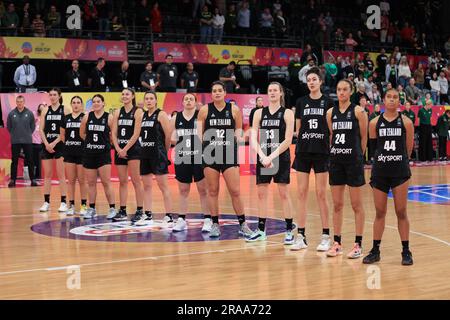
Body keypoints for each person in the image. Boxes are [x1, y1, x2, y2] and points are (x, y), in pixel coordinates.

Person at [363, 88, 414, 266]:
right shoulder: (374, 123)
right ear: (383, 100)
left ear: (399, 101)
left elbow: (408, 150)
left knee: (401, 211)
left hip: (399, 171)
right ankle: (375, 250)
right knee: (380, 212)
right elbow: (374, 148)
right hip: (380, 172)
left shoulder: (406, 122)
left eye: (395, 97)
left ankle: (406, 251)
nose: (392, 100)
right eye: (389, 97)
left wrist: (398, 160)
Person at [197, 81, 253, 238]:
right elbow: (199, 134)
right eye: (214, 90)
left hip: (228, 153)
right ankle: (215, 224)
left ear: (225, 93)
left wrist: (234, 146)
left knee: (235, 191)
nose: (217, 93)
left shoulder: (234, 110)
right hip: (210, 154)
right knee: (213, 191)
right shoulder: (204, 110)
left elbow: (238, 131)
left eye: (219, 90)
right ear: (211, 93)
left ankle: (243, 224)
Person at [246, 82, 295, 243]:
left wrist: (271, 156)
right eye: (270, 90)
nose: (272, 92)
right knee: (261, 194)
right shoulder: (259, 113)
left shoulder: (287, 113)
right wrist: (262, 155)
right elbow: (253, 137)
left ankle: (289, 230)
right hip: (264, 157)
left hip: (280, 156)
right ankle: (261, 230)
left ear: (281, 93)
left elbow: (288, 140)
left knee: (283, 194)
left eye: (275, 90)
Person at [291, 67, 334, 251]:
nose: (311, 82)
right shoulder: (301, 102)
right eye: (309, 79)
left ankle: (326, 236)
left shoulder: (328, 102)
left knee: (321, 194)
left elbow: (332, 129)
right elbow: (299, 129)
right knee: (301, 193)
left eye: (314, 79)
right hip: (303, 151)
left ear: (320, 81)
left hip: (322, 152)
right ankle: (300, 236)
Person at [326, 79, 368, 259]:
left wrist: (359, 157)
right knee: (337, 205)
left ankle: (358, 244)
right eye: (339, 89)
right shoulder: (330, 113)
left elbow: (364, 139)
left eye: (344, 90)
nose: (341, 92)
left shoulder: (359, 112)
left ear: (351, 92)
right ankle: (337, 243)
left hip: (353, 163)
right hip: (336, 162)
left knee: (356, 204)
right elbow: (331, 136)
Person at [169, 93, 209, 232]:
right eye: (186, 99)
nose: (188, 101)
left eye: (191, 99)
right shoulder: (175, 118)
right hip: (182, 157)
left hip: (199, 157)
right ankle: (181, 219)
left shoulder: (200, 116)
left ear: (196, 102)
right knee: (183, 190)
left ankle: (208, 219)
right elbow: (172, 138)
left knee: (203, 190)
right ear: (182, 102)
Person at [134, 91, 174, 226]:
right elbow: (138, 134)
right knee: (146, 186)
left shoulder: (161, 114)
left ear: (156, 101)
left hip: (158, 154)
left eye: (151, 99)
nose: (149, 101)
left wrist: (165, 151)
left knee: (163, 186)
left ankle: (169, 215)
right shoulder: (142, 115)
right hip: (145, 153)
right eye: (147, 99)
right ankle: (148, 214)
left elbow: (168, 136)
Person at [79, 94, 116, 219]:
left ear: (103, 103)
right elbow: (82, 133)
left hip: (103, 154)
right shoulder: (87, 116)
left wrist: (105, 144)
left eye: (98, 101)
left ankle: (112, 208)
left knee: (106, 182)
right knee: (91, 183)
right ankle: (92, 208)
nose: (96, 103)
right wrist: (91, 143)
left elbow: (113, 135)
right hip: (89, 153)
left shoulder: (109, 117)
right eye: (94, 101)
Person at [111, 88, 144, 222]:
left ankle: (140, 210)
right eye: (123, 94)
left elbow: (136, 133)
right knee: (122, 182)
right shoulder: (118, 112)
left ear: (133, 96)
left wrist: (125, 149)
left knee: (136, 181)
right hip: (120, 150)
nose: (124, 96)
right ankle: (123, 210)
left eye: (127, 94)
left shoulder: (138, 111)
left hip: (133, 150)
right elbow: (113, 133)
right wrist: (118, 148)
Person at [39, 88, 69, 213]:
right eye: (50, 95)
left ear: (59, 96)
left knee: (61, 175)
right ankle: (46, 202)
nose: (52, 97)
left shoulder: (65, 110)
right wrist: (47, 144)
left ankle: (63, 202)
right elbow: (41, 129)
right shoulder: (45, 110)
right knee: (48, 175)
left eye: (54, 95)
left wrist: (54, 143)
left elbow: (66, 130)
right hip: (47, 145)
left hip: (60, 144)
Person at [60, 96, 88, 216]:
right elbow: (62, 136)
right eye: (74, 103)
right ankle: (70, 205)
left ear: (81, 105)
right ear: (71, 105)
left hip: (82, 153)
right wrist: (68, 146)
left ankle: (83, 205)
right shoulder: (66, 118)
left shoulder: (85, 118)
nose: (76, 105)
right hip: (69, 153)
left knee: (82, 181)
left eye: (78, 103)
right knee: (70, 181)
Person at [6, 95, 37, 187]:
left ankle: (33, 180)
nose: (20, 103)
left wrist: (27, 134)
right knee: (14, 161)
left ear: (24, 102)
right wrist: (15, 134)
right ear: (16, 102)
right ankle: (13, 180)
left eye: (21, 101)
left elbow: (33, 126)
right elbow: (9, 127)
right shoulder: (11, 113)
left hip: (27, 140)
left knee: (30, 160)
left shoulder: (29, 113)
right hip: (15, 141)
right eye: (18, 101)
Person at [31, 104, 44, 180]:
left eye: (43, 108)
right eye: (40, 108)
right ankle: (32, 175)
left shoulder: (45, 119)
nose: (41, 110)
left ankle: (38, 175)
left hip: (41, 143)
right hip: (33, 142)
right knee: (32, 160)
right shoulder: (35, 117)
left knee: (39, 161)